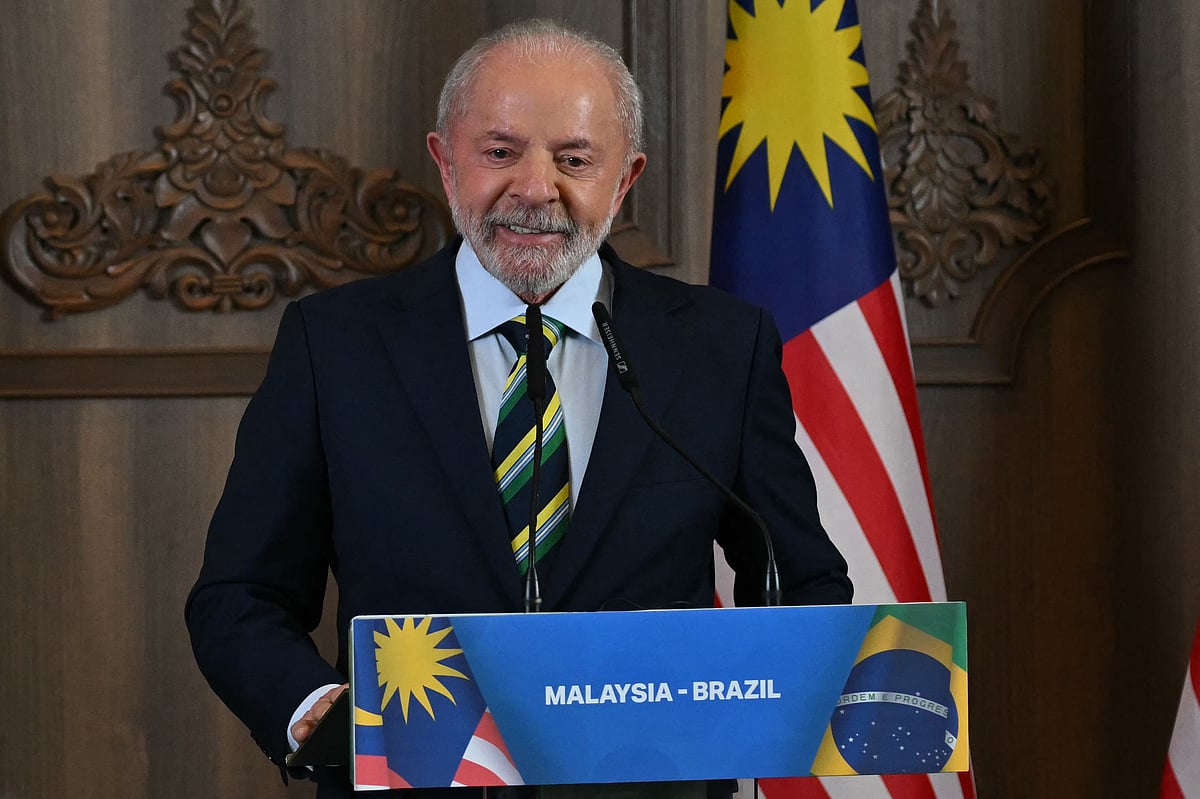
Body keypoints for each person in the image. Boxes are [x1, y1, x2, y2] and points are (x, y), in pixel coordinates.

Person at [185, 18, 852, 799]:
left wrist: (746, 701)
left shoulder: (722, 347)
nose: (535, 190)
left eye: (574, 159)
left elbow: (802, 579)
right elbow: (240, 596)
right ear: (445, 161)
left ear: (625, 177)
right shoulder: (333, 346)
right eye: (500, 153)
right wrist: (317, 711)